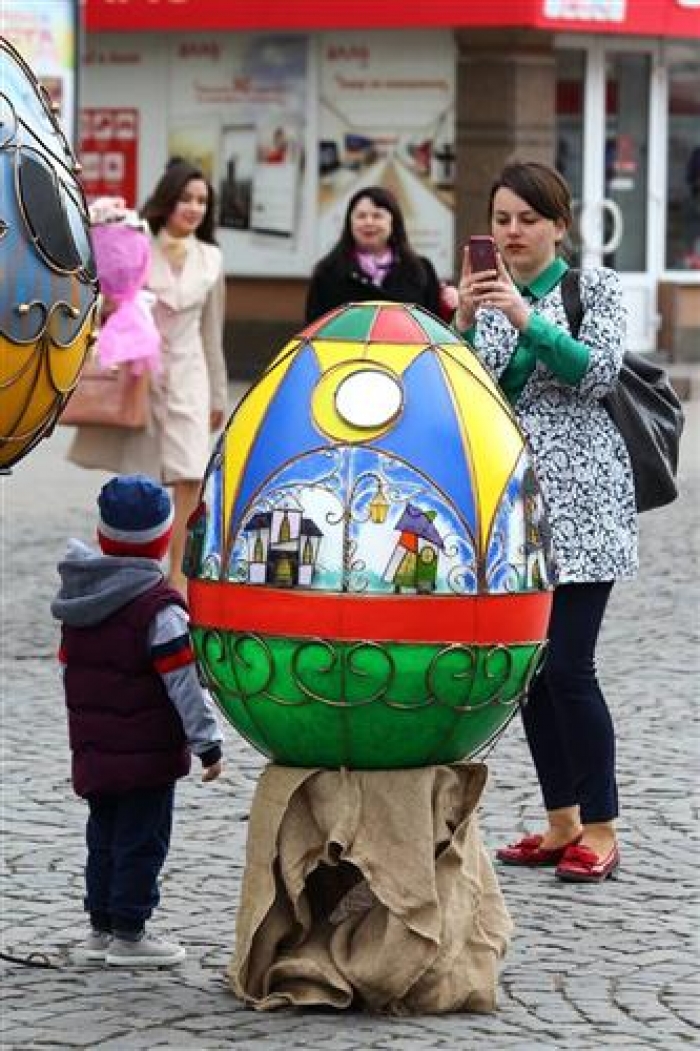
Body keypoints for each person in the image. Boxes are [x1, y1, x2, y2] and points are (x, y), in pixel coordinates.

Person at [454, 160, 637, 883]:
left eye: (528, 219)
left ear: (560, 224)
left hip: (588, 506)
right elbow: (465, 393)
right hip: (516, 509)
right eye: (501, 219)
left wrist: (527, 318)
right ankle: (560, 817)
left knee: (569, 664)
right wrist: (466, 319)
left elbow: (600, 374)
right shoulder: (485, 299)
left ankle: (601, 823)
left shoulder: (595, 289)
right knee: (529, 672)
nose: (513, 232)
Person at [51, 474, 224, 966]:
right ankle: (130, 933)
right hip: (146, 753)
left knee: (102, 838)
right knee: (142, 840)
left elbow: (70, 670)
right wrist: (207, 745)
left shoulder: (79, 602)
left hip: (95, 747)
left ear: (102, 534)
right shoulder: (159, 610)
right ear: (164, 540)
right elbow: (183, 684)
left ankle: (100, 929)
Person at [68, 159, 228, 595]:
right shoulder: (135, 245)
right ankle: (135, 571)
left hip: (191, 377)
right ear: (168, 201)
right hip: (145, 374)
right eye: (186, 199)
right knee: (142, 478)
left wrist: (218, 393)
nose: (193, 208)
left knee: (191, 474)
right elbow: (105, 306)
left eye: (201, 201)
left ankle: (178, 575)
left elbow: (212, 333)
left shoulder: (211, 259)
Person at [305, 185, 443, 322]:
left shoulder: (420, 269)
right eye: (361, 216)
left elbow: (436, 327)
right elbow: (313, 330)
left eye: (377, 216)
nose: (369, 222)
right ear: (350, 222)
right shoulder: (327, 272)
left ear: (393, 222)